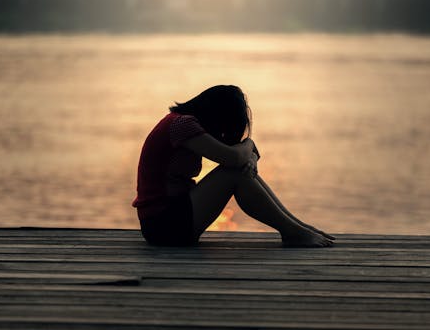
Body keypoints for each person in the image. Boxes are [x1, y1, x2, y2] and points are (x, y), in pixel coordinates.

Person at [132, 85, 334, 247]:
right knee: (233, 173)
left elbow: (242, 156)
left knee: (237, 170)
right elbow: (234, 157)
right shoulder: (182, 125)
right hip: (162, 225)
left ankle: (297, 227)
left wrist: (251, 157)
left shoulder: (184, 124)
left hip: (171, 220)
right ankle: (293, 232)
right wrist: (250, 144)